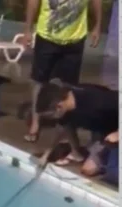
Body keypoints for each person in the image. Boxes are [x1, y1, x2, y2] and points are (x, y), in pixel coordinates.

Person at [21, 0, 103, 143]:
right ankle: (35, 122)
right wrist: (28, 29)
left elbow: (96, 2)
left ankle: (66, 128)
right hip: (46, 37)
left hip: (75, 40)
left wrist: (97, 26)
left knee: (69, 86)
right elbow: (33, 2)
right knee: (39, 81)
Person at [36, 82, 118, 177]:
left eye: (50, 116)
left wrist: (118, 133)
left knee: (90, 170)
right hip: (100, 128)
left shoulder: (95, 100)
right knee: (66, 124)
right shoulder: (64, 106)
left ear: (59, 106)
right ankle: (76, 152)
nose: (50, 119)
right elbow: (63, 128)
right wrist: (47, 154)